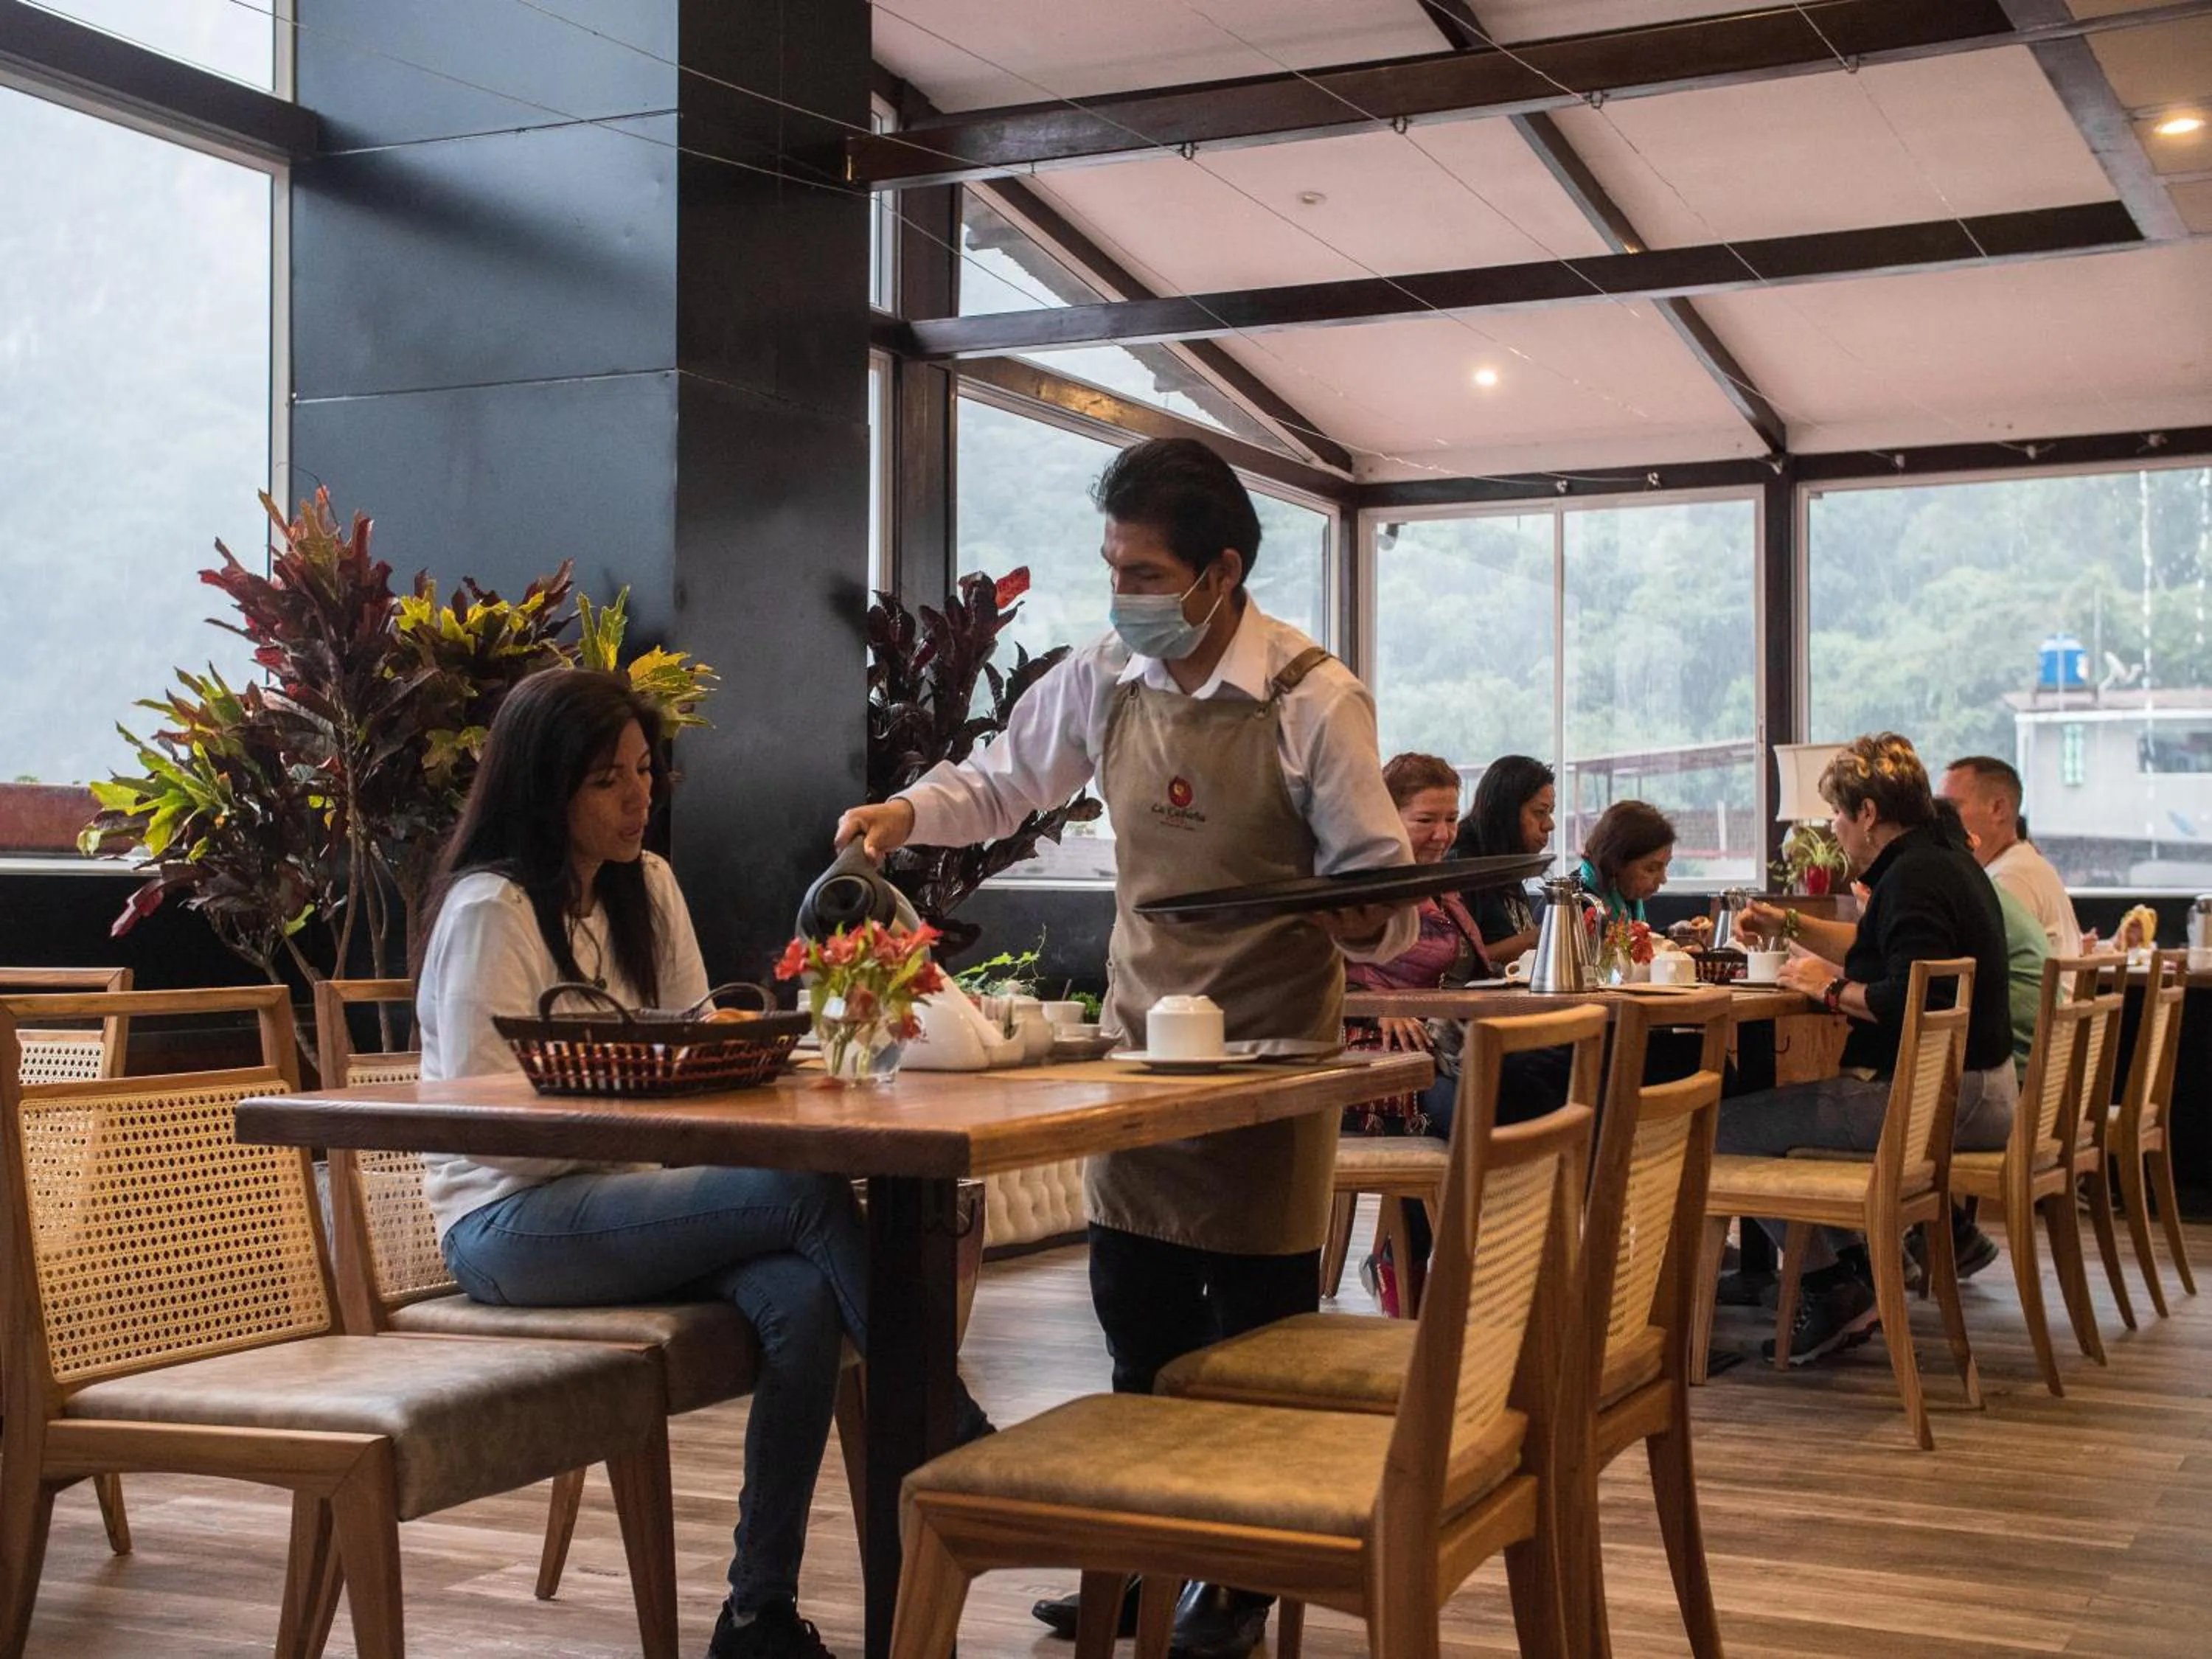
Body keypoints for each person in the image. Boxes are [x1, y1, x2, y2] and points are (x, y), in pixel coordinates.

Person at [835, 437, 1415, 1659]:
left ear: (1221, 571)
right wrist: (906, 811)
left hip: (1273, 1061)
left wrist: (1360, 914)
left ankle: (1237, 1579)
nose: (1123, 595)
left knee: (1253, 1338)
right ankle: (1147, 1564)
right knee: (1135, 1323)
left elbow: (1383, 894)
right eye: (1113, 569)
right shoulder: (1105, 673)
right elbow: (1002, 783)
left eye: (1144, 573)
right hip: (1141, 1050)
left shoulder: (1313, 698)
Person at [418, 669, 981, 1659]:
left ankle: (757, 1613)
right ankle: (957, 1434)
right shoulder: (490, 910)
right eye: (608, 780)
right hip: (507, 1221)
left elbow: (690, 1046)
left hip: (630, 1199)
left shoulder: (647, 886)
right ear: (544, 788)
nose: (639, 797)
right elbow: (485, 1123)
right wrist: (636, 1091)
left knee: (801, 1300)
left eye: (645, 771)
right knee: (804, 1194)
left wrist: (728, 1056)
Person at [1725, 733, 2017, 1363]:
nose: (1834, 827)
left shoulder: (1914, 877)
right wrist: (1787, 924)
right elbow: (1880, 952)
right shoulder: (1939, 860)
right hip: (1977, 1088)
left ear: (1867, 813)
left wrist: (1829, 990)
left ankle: (1831, 1283)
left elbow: (1914, 996)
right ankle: (1857, 1270)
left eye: (1837, 812)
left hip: (1944, 1099)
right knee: (1776, 1116)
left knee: (1721, 1128)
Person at [1941, 755, 2083, 954]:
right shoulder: (2026, 864)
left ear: (1998, 809)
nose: (1940, 818)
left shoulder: (2011, 877)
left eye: (1952, 807)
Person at [1450, 753, 1555, 961]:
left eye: (1550, 812)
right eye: (1539, 812)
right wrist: (1538, 938)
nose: (1550, 825)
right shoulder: (1463, 866)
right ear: (1506, 812)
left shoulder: (1508, 861)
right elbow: (1459, 964)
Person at [1578, 799, 1677, 922]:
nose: (1663, 879)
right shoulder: (1577, 905)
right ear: (1615, 863)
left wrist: (1672, 932)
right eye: (1651, 869)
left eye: (1665, 866)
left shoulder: (1627, 894)